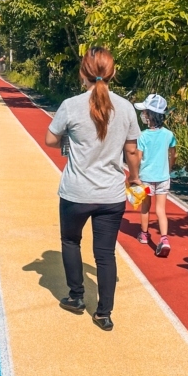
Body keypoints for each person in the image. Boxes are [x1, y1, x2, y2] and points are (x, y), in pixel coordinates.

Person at [45, 47, 141, 331]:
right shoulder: (126, 107)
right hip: (111, 195)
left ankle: (76, 297)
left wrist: (69, 141)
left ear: (82, 73)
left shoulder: (71, 105)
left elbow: (51, 139)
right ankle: (104, 313)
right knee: (105, 253)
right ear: (113, 73)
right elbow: (132, 151)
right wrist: (134, 178)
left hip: (76, 193)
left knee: (70, 242)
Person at [133, 94, 177, 257]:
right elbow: (174, 154)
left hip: (145, 178)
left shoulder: (143, 136)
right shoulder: (169, 134)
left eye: (145, 112)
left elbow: (137, 157)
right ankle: (164, 239)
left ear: (150, 115)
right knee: (161, 210)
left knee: (145, 207)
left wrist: (134, 175)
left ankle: (144, 235)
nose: (143, 114)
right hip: (163, 177)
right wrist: (169, 168)